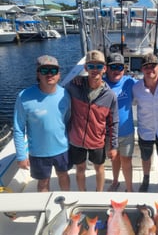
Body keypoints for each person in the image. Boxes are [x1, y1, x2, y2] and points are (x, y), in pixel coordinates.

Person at [13, 55, 71, 192]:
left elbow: (68, 119)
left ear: (59, 75)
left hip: (62, 148)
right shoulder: (24, 96)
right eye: (44, 70)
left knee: (63, 175)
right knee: (43, 182)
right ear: (38, 74)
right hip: (39, 152)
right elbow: (18, 128)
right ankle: (45, 209)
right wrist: (21, 155)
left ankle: (67, 202)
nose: (49, 74)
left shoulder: (65, 94)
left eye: (54, 71)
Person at [65, 50, 119, 192]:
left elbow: (113, 122)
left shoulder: (110, 96)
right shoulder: (73, 86)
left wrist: (113, 146)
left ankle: (99, 193)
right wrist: (75, 79)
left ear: (104, 69)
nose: (95, 70)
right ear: (85, 68)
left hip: (97, 140)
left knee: (99, 167)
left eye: (99, 66)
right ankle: (82, 193)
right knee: (80, 168)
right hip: (77, 139)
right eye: (91, 66)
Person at [133, 53, 158, 192]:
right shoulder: (136, 87)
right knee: (146, 157)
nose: (150, 69)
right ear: (142, 69)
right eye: (146, 67)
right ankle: (146, 179)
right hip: (145, 130)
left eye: (153, 66)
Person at [104, 53, 137, 192]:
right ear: (106, 69)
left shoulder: (130, 82)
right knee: (114, 159)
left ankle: (129, 188)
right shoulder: (102, 83)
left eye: (120, 67)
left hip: (127, 131)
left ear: (124, 68)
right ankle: (115, 181)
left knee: (127, 161)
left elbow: (149, 83)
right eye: (113, 67)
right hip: (109, 133)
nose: (116, 70)